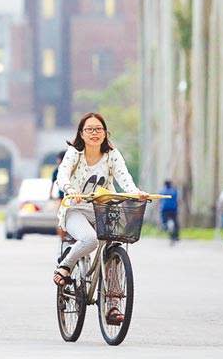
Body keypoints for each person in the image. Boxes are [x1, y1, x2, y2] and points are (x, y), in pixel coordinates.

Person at [53, 112, 146, 308]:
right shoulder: (74, 153)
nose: (94, 133)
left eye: (99, 129)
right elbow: (62, 175)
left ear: (105, 133)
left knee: (114, 250)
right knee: (90, 239)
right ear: (81, 133)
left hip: (104, 209)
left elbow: (124, 177)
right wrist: (70, 190)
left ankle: (112, 306)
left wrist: (135, 193)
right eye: (89, 129)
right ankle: (66, 265)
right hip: (76, 208)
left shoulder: (112, 155)